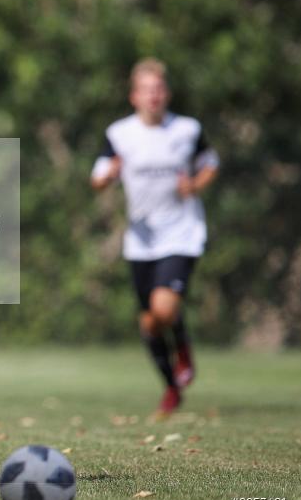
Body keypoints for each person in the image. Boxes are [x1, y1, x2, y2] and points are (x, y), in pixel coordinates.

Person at [91, 58, 219, 417]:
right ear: (134, 96)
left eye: (159, 89)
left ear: (167, 94)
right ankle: (172, 387)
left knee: (163, 309)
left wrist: (193, 185)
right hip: (141, 240)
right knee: (149, 321)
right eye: (147, 90)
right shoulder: (120, 134)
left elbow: (211, 163)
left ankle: (180, 343)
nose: (154, 96)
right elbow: (97, 178)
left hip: (181, 233)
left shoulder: (188, 130)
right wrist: (108, 176)